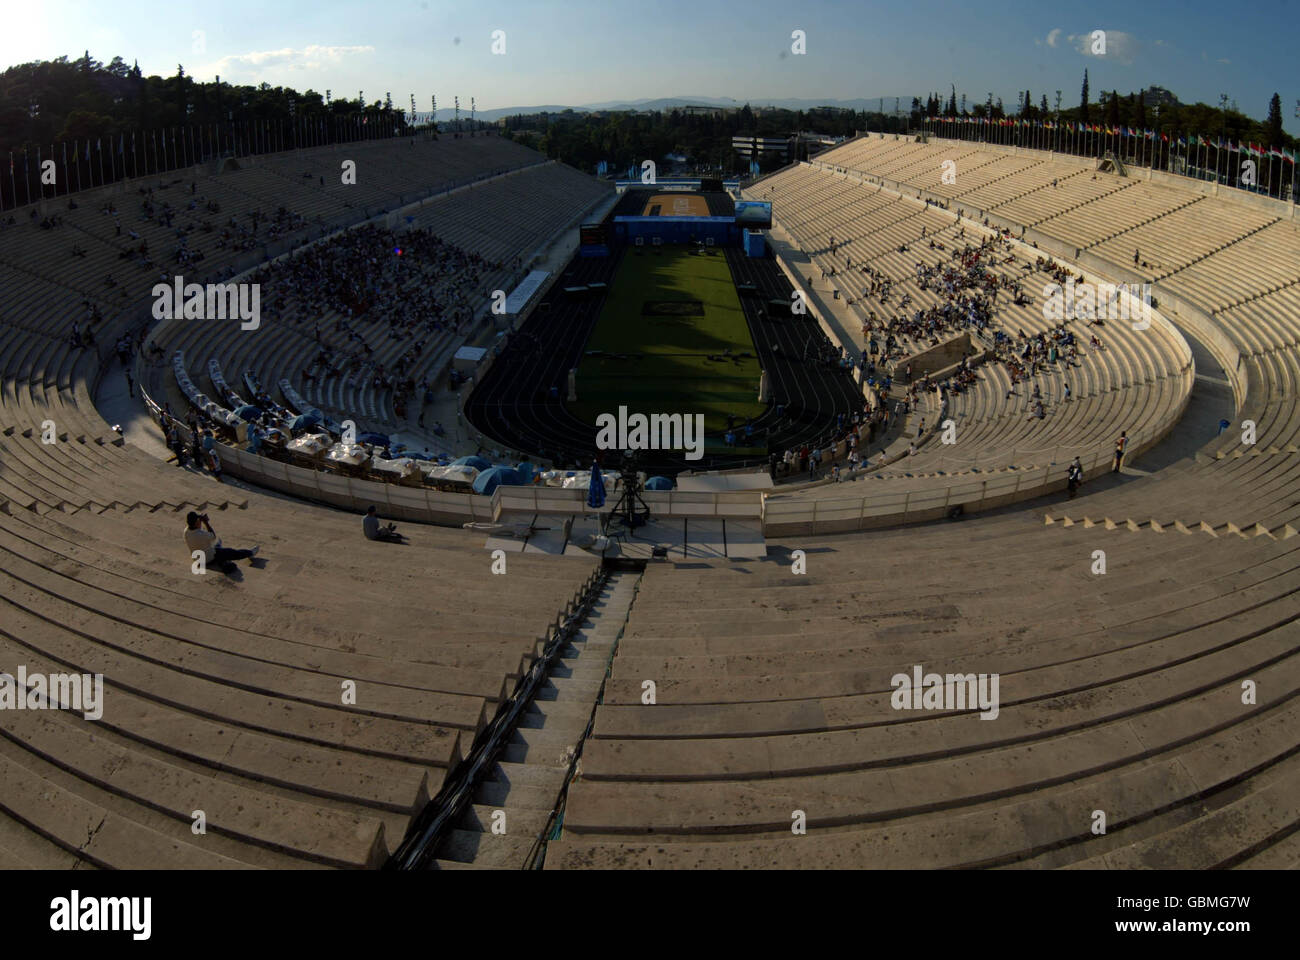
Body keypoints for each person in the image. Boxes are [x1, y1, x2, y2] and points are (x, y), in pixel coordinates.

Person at [184, 511, 259, 567]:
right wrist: (206, 522)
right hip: (208, 559)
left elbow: (197, 529)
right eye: (198, 520)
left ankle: (219, 546)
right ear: (196, 522)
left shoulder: (186, 531)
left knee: (217, 544)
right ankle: (250, 553)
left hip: (197, 559)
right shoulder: (201, 535)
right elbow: (213, 536)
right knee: (232, 552)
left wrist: (200, 520)